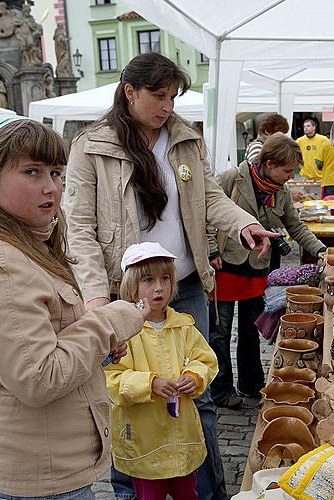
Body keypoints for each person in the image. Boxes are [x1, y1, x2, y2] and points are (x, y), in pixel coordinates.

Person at [65, 52, 275, 500]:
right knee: (129, 401)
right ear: (129, 93)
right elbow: (78, 227)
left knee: (198, 398)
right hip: (124, 300)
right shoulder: (92, 145)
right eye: (158, 96)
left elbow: (209, 196)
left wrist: (243, 222)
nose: (167, 106)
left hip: (185, 286)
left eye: (173, 97)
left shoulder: (184, 139)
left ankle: (208, 494)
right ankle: (132, 494)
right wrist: (97, 298)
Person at [0, 115, 146, 499]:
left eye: (56, 173)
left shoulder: (21, 244)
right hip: (34, 477)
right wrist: (110, 321)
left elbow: (43, 338)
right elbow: (39, 376)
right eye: (32, 172)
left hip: (45, 465)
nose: (51, 187)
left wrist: (94, 346)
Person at [208, 133, 326, 409]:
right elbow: (206, 214)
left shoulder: (281, 192)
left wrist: (321, 250)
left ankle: (251, 384)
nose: (291, 176)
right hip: (224, 265)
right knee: (220, 332)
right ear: (270, 163)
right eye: (287, 170)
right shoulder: (230, 179)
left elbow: (296, 227)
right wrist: (211, 251)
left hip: (258, 269)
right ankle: (220, 389)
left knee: (250, 330)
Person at [107, 242, 218, 500]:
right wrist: (150, 384)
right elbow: (113, 379)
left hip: (182, 436)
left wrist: (194, 377)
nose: (159, 287)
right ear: (132, 286)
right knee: (150, 495)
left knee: (187, 493)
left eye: (165, 278)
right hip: (146, 440)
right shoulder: (125, 333)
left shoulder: (183, 326)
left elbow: (205, 360)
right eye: (149, 280)